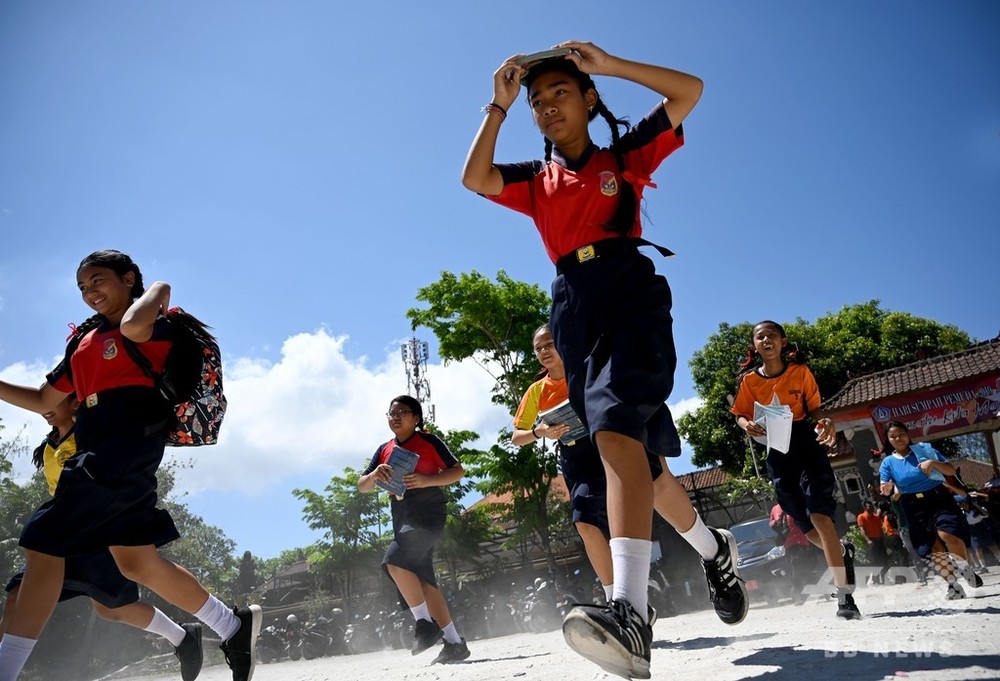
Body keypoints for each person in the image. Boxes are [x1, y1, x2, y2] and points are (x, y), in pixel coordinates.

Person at [462, 42, 744, 679]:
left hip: (629, 291)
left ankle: (631, 613)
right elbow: (474, 177)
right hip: (573, 307)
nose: (546, 107)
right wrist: (497, 105)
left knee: (616, 433)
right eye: (537, 102)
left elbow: (689, 89)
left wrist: (609, 64)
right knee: (640, 463)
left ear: (588, 99)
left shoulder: (625, 155)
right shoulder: (536, 181)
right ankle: (711, 547)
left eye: (559, 93)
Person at [0, 250, 261, 681]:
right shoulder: (84, 340)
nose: (89, 293)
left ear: (128, 278)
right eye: (82, 288)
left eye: (98, 280)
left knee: (43, 539)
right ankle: (231, 625)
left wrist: (158, 287)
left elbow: (134, 324)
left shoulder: (152, 326)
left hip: (126, 443)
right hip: (100, 447)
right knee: (135, 561)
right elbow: (44, 399)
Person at [513, 325, 748, 624]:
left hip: (611, 432)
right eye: (538, 348)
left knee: (657, 484)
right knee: (584, 521)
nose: (544, 351)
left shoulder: (586, 369)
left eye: (549, 343)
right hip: (577, 456)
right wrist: (539, 431)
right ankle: (622, 606)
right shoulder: (536, 391)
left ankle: (712, 548)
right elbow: (516, 434)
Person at [0, 394, 203, 681]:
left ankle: (182, 636)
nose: (45, 408)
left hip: (94, 530)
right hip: (64, 532)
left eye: (53, 399)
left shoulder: (89, 435)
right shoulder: (48, 446)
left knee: (113, 609)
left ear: (74, 403)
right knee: (18, 596)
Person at [731, 320, 860, 620]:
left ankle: (845, 598)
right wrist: (746, 424)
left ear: (783, 341)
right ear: (755, 346)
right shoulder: (749, 382)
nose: (766, 340)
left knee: (819, 514)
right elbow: (739, 412)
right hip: (777, 449)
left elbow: (815, 407)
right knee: (808, 528)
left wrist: (825, 421)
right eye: (760, 337)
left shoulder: (800, 372)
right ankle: (842, 551)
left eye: (771, 335)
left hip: (805, 443)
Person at [357, 396, 470, 665]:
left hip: (428, 512)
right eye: (391, 413)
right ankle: (454, 643)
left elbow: (458, 471)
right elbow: (362, 485)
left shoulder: (429, 441)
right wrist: (375, 476)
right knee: (424, 580)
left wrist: (426, 480)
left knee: (393, 561)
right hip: (402, 516)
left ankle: (424, 623)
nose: (395, 417)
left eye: (402, 412)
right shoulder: (384, 449)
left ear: (416, 418)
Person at [878, 421, 982, 599]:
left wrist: (932, 463)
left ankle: (965, 568)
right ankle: (953, 586)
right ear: (888, 440)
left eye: (901, 434)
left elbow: (950, 470)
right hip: (913, 505)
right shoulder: (888, 462)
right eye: (892, 436)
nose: (897, 438)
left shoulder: (924, 449)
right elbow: (884, 486)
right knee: (932, 546)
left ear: (907, 434)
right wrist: (886, 489)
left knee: (948, 534)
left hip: (938, 497)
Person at [769, 504, 814, 603]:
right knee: (796, 568)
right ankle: (797, 593)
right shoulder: (776, 509)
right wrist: (776, 523)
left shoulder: (794, 502)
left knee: (803, 567)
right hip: (789, 543)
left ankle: (800, 592)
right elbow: (771, 523)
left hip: (803, 541)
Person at [961, 496, 1000, 571]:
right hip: (972, 530)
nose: (963, 505)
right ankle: (983, 566)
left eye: (965, 503)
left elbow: (986, 515)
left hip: (981, 528)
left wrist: (977, 506)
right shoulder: (962, 513)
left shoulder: (976, 510)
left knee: (991, 545)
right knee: (977, 548)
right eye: (962, 504)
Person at [857, 501, 889, 585]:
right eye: (868, 506)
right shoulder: (861, 517)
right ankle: (875, 580)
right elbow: (862, 530)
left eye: (871, 506)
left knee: (885, 560)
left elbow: (881, 528)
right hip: (872, 541)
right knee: (875, 561)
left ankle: (883, 577)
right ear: (865, 507)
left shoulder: (876, 517)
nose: (870, 508)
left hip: (879, 540)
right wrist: (868, 540)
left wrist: (884, 539)